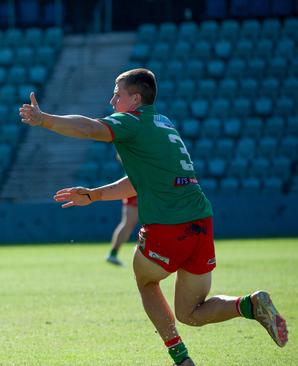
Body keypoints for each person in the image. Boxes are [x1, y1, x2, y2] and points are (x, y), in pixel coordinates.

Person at [19, 68, 288, 365]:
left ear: (135, 99)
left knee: (146, 281)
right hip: (201, 221)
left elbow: (88, 128)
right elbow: (140, 180)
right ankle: (249, 305)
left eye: (117, 95)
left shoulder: (131, 121)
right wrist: (94, 194)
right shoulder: (163, 123)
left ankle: (181, 359)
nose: (111, 101)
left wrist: (44, 119)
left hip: (168, 224)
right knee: (190, 313)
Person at [106, 154, 138, 266]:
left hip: (139, 183)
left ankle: (113, 253)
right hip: (136, 184)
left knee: (129, 223)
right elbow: (121, 155)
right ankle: (113, 253)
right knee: (128, 223)